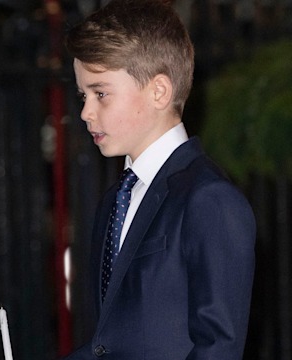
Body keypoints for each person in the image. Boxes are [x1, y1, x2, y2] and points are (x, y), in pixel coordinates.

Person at [63, 0, 256, 359]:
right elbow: (109, 343)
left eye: (100, 93)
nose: (86, 112)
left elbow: (219, 347)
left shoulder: (208, 199)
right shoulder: (114, 200)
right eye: (83, 95)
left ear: (159, 91)